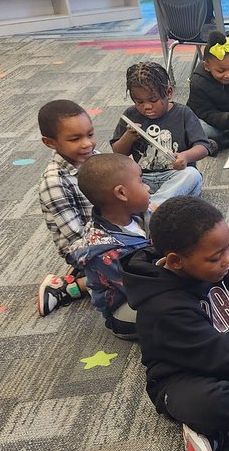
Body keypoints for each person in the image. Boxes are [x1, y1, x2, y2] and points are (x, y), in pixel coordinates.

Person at [120, 196, 229, 451]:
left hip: (227, 353)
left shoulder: (218, 263)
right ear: (176, 261)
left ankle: (221, 435)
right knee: (222, 403)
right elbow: (222, 357)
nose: (227, 260)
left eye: (228, 249)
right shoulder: (164, 309)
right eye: (216, 257)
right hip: (180, 378)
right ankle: (217, 427)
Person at [68, 154, 151, 341]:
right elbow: (140, 290)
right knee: (175, 312)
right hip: (124, 310)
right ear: (122, 193)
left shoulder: (139, 216)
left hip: (150, 284)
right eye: (141, 181)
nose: (148, 187)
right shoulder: (106, 251)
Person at [111, 61, 206, 204]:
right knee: (112, 179)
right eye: (139, 102)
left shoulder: (183, 113)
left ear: (168, 92)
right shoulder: (131, 114)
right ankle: (163, 204)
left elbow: (203, 147)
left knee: (192, 176)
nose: (147, 107)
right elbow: (118, 154)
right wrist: (128, 137)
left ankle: (152, 206)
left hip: (175, 175)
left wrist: (185, 156)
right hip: (143, 178)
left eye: (153, 100)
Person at [36, 98, 95, 315]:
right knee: (138, 274)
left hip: (111, 234)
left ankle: (89, 276)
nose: (87, 144)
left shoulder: (96, 160)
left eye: (90, 134)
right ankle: (68, 287)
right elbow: (76, 238)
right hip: (83, 247)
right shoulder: (54, 181)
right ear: (50, 142)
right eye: (74, 139)